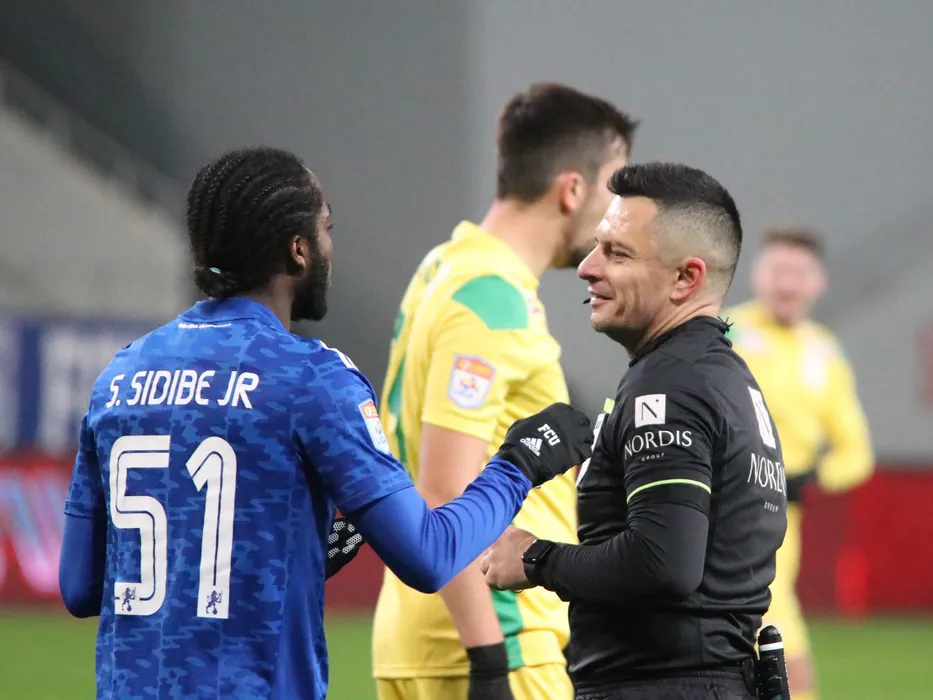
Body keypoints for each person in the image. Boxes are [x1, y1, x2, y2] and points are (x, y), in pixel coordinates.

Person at [56, 146, 594, 700]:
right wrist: (519, 463)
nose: (330, 246)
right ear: (298, 251)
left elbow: (80, 587)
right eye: (326, 229)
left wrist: (291, 552)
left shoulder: (120, 375)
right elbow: (428, 557)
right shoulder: (311, 377)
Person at [481, 162, 789, 700]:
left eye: (617, 253)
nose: (587, 267)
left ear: (686, 278)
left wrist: (534, 558)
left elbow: (663, 564)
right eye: (597, 246)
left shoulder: (670, 384)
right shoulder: (723, 376)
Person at [371, 83, 637, 700]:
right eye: (613, 186)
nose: (615, 212)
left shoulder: (445, 267)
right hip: (493, 639)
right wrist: (490, 659)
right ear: (572, 189)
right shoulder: (491, 299)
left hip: (423, 634)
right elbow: (445, 489)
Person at [724, 226, 874, 700]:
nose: (787, 283)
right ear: (757, 274)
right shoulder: (725, 332)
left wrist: (809, 481)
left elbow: (856, 453)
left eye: (799, 272)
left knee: (782, 662)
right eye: (778, 270)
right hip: (717, 510)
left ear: (819, 282)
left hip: (777, 529)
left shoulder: (824, 352)